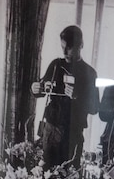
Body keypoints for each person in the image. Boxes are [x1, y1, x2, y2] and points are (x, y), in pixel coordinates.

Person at [31, 25, 100, 167]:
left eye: (69, 48)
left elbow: (94, 108)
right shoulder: (56, 65)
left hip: (73, 135)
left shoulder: (90, 73)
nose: (64, 52)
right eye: (62, 47)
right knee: (45, 177)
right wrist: (35, 88)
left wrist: (77, 96)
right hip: (50, 132)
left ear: (81, 45)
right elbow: (41, 89)